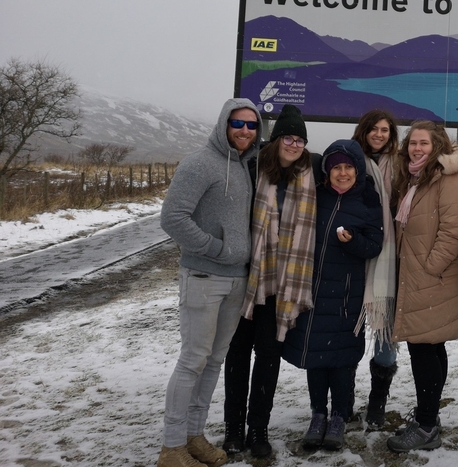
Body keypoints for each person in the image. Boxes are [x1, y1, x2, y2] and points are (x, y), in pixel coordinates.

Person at [156, 98, 262, 467]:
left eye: (251, 125)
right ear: (224, 124)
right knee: (193, 360)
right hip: (203, 276)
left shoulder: (247, 166)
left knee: (215, 361)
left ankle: (193, 436)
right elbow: (172, 218)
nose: (245, 130)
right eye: (238, 123)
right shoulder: (199, 163)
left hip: (237, 280)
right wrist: (216, 248)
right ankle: (171, 446)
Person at [221, 105, 316, 459]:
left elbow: (347, 167)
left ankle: (258, 428)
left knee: (268, 358)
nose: (294, 144)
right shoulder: (252, 168)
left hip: (282, 283)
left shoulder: (310, 173)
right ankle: (233, 428)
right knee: (237, 355)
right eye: (288, 137)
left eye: (300, 140)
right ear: (274, 141)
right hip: (247, 280)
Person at [282, 139, 384, 451]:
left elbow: (374, 245)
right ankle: (317, 415)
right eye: (336, 167)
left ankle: (340, 416)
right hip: (312, 291)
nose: (342, 173)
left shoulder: (368, 202)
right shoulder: (315, 196)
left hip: (345, 296)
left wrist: (352, 242)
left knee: (341, 360)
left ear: (358, 170)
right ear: (327, 171)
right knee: (316, 357)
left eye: (348, 167)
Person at [386, 120, 458, 453]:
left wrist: (429, 268)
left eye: (424, 143)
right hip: (420, 276)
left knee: (422, 347)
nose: (417, 148)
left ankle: (425, 426)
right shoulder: (416, 177)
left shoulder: (446, 178)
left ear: (437, 145)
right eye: (413, 143)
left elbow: (452, 232)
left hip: (432, 278)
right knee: (432, 346)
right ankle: (429, 418)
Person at [351, 110, 401, 429]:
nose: (379, 134)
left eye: (385, 130)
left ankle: (376, 405)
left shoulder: (401, 167)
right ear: (364, 130)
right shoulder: (351, 160)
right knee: (347, 338)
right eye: (374, 128)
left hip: (390, 261)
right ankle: (340, 403)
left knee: (385, 341)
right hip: (354, 258)